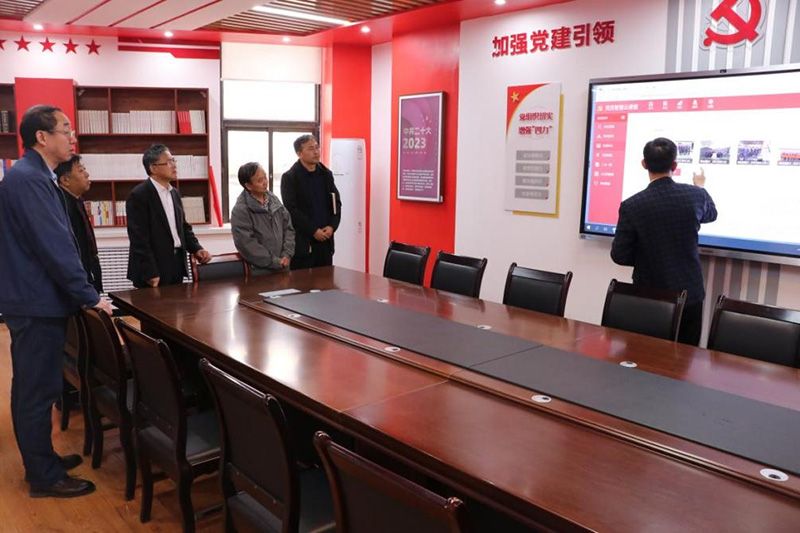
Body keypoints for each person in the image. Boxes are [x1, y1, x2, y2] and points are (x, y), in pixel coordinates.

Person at [0, 104, 113, 498]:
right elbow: (55, 246)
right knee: (36, 391)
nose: (72, 137)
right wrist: (89, 296)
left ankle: (42, 459)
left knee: (35, 387)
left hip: (32, 298)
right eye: (66, 129)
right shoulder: (30, 179)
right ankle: (43, 477)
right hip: (35, 300)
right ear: (42, 137)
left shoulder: (32, 175)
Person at [611, 137, 717, 345]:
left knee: (647, 353)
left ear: (644, 164)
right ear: (674, 166)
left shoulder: (632, 205)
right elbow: (711, 214)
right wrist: (700, 186)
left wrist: (648, 255)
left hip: (648, 295)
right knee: (686, 355)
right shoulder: (695, 196)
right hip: (690, 293)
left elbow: (620, 255)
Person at [126, 144, 211, 288]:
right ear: (153, 168)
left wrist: (197, 249)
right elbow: (138, 238)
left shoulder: (174, 193)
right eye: (169, 162)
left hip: (176, 264)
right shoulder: (139, 195)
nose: (174, 165)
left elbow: (183, 228)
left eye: (174, 160)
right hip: (153, 269)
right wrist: (150, 272)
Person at [280, 135, 341, 269]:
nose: (316, 152)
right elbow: (291, 210)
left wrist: (332, 226)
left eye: (317, 147)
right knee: (302, 281)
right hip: (303, 243)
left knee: (326, 280)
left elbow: (336, 203)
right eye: (311, 149)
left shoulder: (326, 174)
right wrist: (313, 230)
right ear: (299, 153)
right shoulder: (290, 178)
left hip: (326, 241)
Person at [231, 162, 295, 274]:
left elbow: (288, 228)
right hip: (260, 270)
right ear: (248, 186)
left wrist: (287, 254)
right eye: (260, 180)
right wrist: (274, 261)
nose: (265, 182)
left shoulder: (273, 199)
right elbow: (247, 244)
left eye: (265, 177)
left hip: (283, 264)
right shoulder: (241, 210)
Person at [55, 154, 103, 292]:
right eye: (81, 170)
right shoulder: (62, 205)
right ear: (65, 180)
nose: (87, 174)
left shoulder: (77, 200)